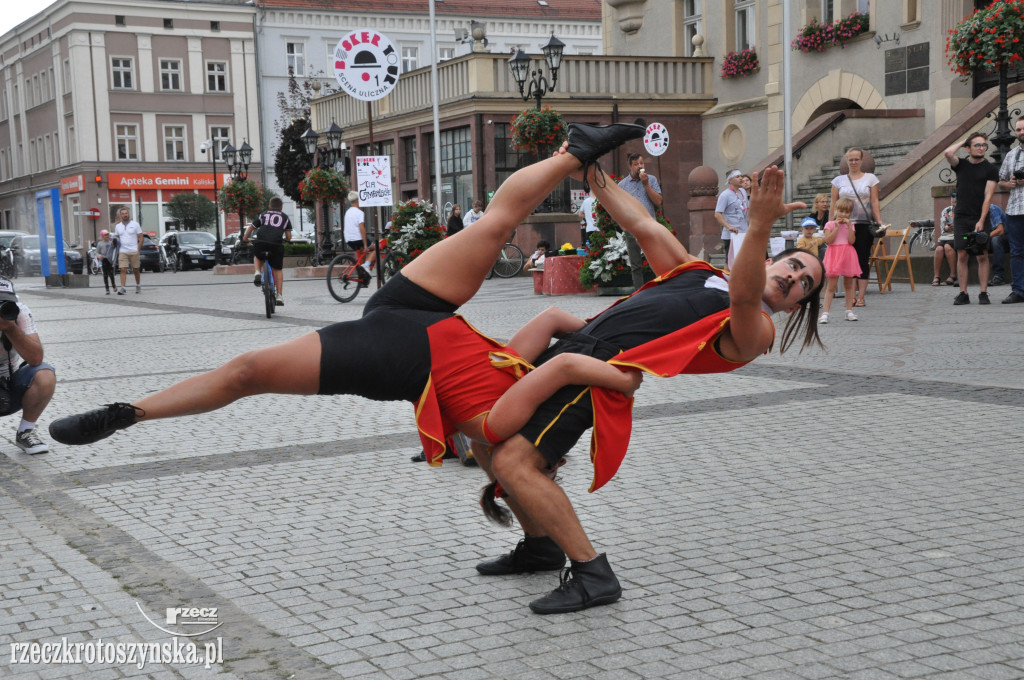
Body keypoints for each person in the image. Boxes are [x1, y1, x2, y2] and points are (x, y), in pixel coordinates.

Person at [49, 122, 647, 496]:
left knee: (246, 373)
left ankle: (126, 413)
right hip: (408, 309)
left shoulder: (502, 426)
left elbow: (509, 459)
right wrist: (593, 325)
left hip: (402, 354)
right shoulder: (518, 382)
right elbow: (550, 324)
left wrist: (598, 351)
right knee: (494, 225)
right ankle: (575, 150)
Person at [475, 159, 825, 615]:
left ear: (797, 307)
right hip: (572, 347)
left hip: (594, 375)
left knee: (513, 461)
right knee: (481, 435)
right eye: (795, 265)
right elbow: (641, 223)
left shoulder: (756, 330)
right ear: (778, 258)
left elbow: (743, 295)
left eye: (804, 285)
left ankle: (592, 573)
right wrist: (591, 173)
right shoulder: (702, 273)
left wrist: (756, 224)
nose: (794, 278)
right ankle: (541, 546)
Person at [0, 278, 55, 455]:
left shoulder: (18, 312)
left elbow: (36, 358)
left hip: (9, 386)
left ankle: (26, 431)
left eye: (5, 301)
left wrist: (10, 329)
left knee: (45, 374)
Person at [944, 132, 997, 305]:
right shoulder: (962, 165)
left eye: (984, 145)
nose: (981, 148)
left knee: (982, 255)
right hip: (961, 217)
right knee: (963, 254)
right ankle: (963, 293)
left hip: (979, 216)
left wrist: (981, 220)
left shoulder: (990, 169)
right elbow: (948, 153)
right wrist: (963, 140)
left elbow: (988, 197)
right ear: (968, 148)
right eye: (977, 145)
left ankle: (983, 292)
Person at [830, 148, 882, 309]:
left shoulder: (870, 178)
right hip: (845, 223)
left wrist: (879, 220)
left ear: (861, 161)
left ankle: (861, 297)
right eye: (850, 160)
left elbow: (874, 201)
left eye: (856, 159)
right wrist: (831, 221)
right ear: (846, 161)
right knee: (847, 260)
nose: (853, 162)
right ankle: (850, 295)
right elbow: (833, 202)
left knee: (862, 258)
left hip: (864, 223)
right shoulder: (838, 181)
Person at [817, 198, 860, 323]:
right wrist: (836, 228)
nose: (843, 214)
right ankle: (825, 313)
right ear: (836, 210)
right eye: (841, 211)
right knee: (831, 286)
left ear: (850, 214)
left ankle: (849, 311)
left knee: (848, 285)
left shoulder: (851, 225)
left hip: (847, 254)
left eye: (847, 212)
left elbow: (852, 241)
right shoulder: (829, 224)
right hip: (834, 254)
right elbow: (828, 240)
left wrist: (849, 227)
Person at [244, 197, 293, 307]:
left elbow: (251, 227)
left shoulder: (263, 214)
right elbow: (289, 236)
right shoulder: (285, 217)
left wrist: (245, 238)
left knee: (257, 255)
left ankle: (257, 272)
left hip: (261, 242)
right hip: (276, 244)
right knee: (278, 269)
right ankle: (279, 295)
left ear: (269, 206)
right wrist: (286, 239)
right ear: (281, 207)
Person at [996, 116, 1024, 303]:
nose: (1021, 133)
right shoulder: (1011, 154)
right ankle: (1019, 290)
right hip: (1015, 210)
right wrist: (1010, 183)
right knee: (1017, 251)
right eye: (1019, 129)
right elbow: (1001, 181)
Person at [715, 169, 748, 268]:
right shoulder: (725, 195)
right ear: (730, 180)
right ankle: (727, 281)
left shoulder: (743, 191)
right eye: (737, 177)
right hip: (732, 234)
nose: (741, 178)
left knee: (744, 259)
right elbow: (717, 214)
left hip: (744, 232)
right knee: (729, 261)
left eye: (741, 176)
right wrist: (729, 226)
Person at [343, 191, 374, 283]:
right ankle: (367, 265)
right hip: (358, 238)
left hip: (348, 239)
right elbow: (362, 229)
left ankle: (363, 277)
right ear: (357, 201)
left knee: (361, 254)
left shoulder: (347, 212)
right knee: (375, 249)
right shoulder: (359, 213)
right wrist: (365, 245)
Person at [113, 208, 143, 295]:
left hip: (134, 250)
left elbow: (141, 238)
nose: (125, 215)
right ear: (120, 215)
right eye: (123, 213)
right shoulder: (118, 226)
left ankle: (138, 285)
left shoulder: (135, 224)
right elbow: (116, 238)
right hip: (123, 251)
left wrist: (138, 249)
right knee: (122, 269)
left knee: (136, 269)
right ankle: (123, 288)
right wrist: (113, 242)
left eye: (126, 213)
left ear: (128, 214)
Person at [934, 199, 956, 286]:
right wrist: (946, 227)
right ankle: (936, 276)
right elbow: (943, 225)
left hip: (961, 237)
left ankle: (953, 275)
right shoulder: (947, 210)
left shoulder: (964, 209)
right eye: (952, 200)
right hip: (946, 236)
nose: (954, 202)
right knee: (939, 249)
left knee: (947, 246)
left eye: (956, 201)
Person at [95, 230, 116, 294]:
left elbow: (115, 248)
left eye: (108, 235)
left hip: (110, 259)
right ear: (102, 236)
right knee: (105, 275)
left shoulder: (111, 242)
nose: (107, 236)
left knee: (111, 274)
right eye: (105, 235)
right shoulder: (100, 243)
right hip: (104, 259)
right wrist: (99, 256)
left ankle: (113, 285)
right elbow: (96, 252)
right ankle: (107, 288)